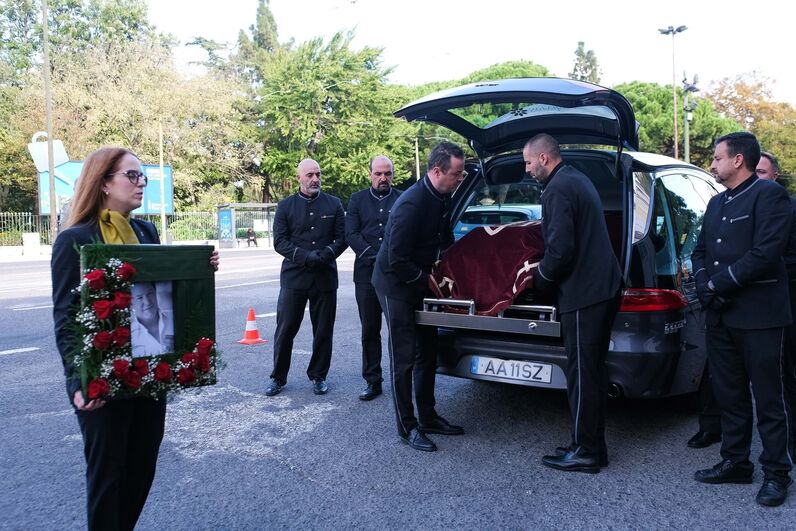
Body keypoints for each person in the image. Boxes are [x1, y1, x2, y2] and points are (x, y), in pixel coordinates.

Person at [51, 147, 220, 530]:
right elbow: (65, 316)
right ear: (104, 182)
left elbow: (163, 286)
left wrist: (198, 267)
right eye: (132, 175)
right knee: (108, 476)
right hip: (102, 377)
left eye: (143, 176)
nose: (141, 182)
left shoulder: (146, 230)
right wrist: (78, 380)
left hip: (148, 371)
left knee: (142, 468)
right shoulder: (75, 239)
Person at [692, 132, 792, 507]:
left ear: (737, 161)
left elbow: (766, 253)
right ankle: (735, 462)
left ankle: (777, 473)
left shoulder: (770, 196)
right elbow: (701, 250)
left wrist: (719, 283)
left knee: (769, 398)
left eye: (717, 158)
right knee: (730, 394)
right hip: (722, 315)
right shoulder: (717, 202)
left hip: (760, 316)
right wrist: (704, 283)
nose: (712, 164)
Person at [523, 133, 622, 474]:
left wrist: (539, 282)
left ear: (545, 159)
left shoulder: (558, 188)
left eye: (529, 161)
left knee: (582, 374)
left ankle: (586, 451)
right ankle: (593, 446)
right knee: (591, 372)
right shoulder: (576, 178)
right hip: (600, 288)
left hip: (584, 293)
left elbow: (560, 251)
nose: (527, 168)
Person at [372, 142, 466, 452]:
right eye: (456, 173)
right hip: (394, 284)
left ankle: (427, 416)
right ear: (437, 171)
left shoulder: (442, 195)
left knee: (427, 350)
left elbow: (444, 237)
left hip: (420, 280)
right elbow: (396, 258)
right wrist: (425, 279)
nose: (460, 178)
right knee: (404, 356)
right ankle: (407, 426)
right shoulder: (411, 204)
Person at [266, 158, 347, 397]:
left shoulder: (333, 204)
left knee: (323, 330)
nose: (315, 179)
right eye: (310, 175)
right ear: (298, 178)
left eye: (318, 174)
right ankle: (278, 377)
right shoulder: (285, 206)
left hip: (325, 278)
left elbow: (342, 238)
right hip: (294, 278)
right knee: (285, 329)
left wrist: (324, 255)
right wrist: (304, 256)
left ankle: (319, 375)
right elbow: (280, 242)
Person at [345, 155, 402, 401]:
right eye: (378, 174)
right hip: (366, 276)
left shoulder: (402, 198)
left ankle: (401, 380)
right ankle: (372, 381)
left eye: (387, 174)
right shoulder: (357, 200)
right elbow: (351, 233)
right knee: (370, 330)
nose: (382, 178)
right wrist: (375, 255)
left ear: (392, 174)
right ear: (370, 174)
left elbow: (406, 231)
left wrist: (388, 257)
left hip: (395, 276)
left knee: (399, 330)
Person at [757, 150, 796, 461]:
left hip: (784, 303)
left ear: (774, 176)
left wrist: (761, 266)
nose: (755, 177)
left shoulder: (788, 208)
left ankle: (788, 445)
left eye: (761, 172)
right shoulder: (727, 204)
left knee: (782, 377)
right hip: (742, 304)